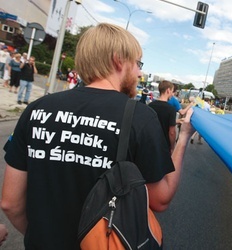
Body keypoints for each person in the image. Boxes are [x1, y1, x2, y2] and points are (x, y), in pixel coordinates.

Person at [1, 23, 194, 250]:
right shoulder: (139, 118)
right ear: (118, 60)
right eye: (138, 63)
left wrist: (38, 237)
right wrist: (184, 139)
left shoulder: (36, 110)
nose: (140, 73)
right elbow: (161, 199)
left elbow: (10, 203)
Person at [148, 80, 178, 154]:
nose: (172, 94)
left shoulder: (150, 106)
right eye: (172, 91)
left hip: (149, 142)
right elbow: (172, 132)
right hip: (163, 145)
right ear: (168, 90)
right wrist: (172, 147)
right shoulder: (171, 109)